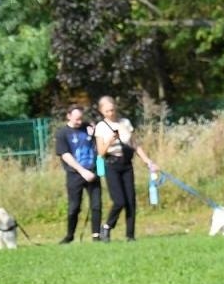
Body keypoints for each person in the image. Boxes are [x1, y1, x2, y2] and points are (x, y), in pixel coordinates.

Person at [94, 95, 159, 242]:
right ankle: (107, 227)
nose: (111, 113)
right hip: (112, 164)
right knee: (119, 201)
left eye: (112, 110)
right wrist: (109, 142)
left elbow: (135, 144)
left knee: (131, 201)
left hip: (127, 164)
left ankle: (130, 235)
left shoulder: (125, 123)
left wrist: (148, 161)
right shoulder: (101, 127)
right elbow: (100, 152)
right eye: (107, 111)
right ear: (102, 111)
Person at [53, 105, 102, 243]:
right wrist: (82, 171)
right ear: (68, 116)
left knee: (96, 205)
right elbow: (65, 155)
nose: (79, 122)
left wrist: (95, 135)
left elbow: (100, 148)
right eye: (76, 119)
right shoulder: (62, 133)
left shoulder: (89, 128)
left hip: (93, 172)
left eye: (81, 118)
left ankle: (96, 235)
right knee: (74, 207)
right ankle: (70, 235)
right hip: (75, 174)